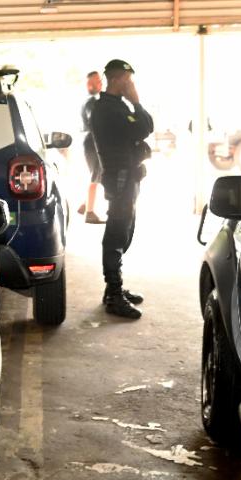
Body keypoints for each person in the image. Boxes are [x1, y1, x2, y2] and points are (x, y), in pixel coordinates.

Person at [90, 59, 153, 319]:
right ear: (117, 80)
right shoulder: (106, 109)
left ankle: (113, 288)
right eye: (129, 80)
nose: (132, 85)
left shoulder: (116, 106)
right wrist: (137, 102)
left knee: (125, 230)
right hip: (119, 178)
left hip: (128, 177)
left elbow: (142, 129)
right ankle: (114, 295)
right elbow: (145, 127)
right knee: (117, 233)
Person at [79, 71, 106, 224]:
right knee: (96, 175)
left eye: (100, 80)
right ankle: (89, 213)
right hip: (93, 140)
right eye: (97, 81)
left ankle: (85, 205)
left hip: (89, 139)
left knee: (94, 173)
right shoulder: (92, 102)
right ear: (90, 85)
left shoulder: (91, 100)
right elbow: (94, 120)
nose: (101, 83)